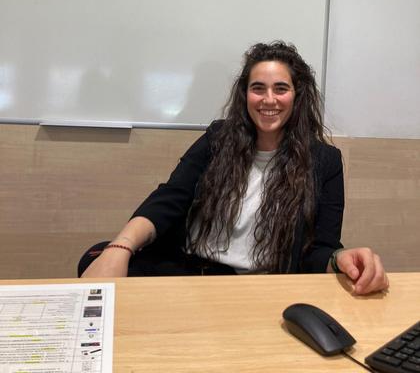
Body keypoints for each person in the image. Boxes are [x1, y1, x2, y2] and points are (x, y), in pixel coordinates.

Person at [80, 41, 388, 295]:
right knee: (96, 257)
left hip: (257, 289)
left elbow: (319, 249)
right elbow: (170, 198)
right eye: (258, 88)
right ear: (245, 94)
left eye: (281, 88)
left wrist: (339, 259)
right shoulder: (218, 138)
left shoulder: (325, 162)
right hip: (188, 273)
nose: (269, 99)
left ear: (297, 95)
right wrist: (120, 247)